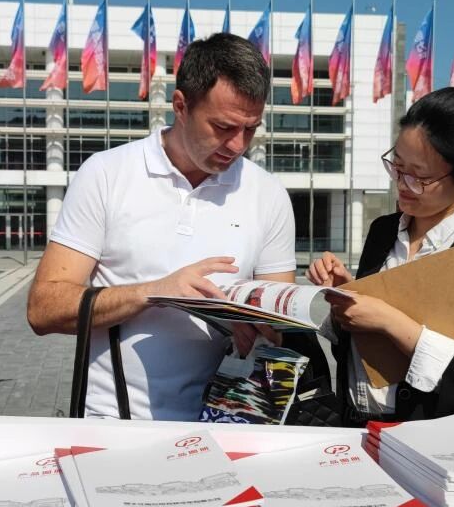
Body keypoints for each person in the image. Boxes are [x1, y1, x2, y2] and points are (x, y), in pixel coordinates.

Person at [28, 33, 296, 421]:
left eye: (251, 129)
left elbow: (280, 329)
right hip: (114, 425)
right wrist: (153, 292)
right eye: (223, 127)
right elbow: (44, 308)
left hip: (228, 425)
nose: (238, 145)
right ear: (181, 106)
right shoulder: (106, 174)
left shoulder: (268, 194)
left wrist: (254, 324)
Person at [308, 68, 454, 422]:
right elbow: (359, 354)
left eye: (420, 176)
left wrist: (394, 325)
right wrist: (349, 298)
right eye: (397, 166)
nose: (402, 185)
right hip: (356, 427)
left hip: (437, 438)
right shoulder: (383, 231)